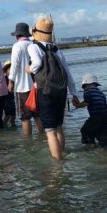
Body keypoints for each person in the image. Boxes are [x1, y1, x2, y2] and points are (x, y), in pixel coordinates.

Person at [27, 16, 79, 160]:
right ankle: (62, 155)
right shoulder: (56, 49)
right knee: (59, 127)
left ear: (35, 32)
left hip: (45, 91)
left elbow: (36, 63)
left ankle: (57, 165)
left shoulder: (33, 47)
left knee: (49, 131)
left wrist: (29, 69)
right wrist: (74, 93)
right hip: (61, 92)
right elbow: (67, 73)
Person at [8, 22, 42, 135]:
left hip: (22, 87)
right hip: (36, 86)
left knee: (25, 117)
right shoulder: (34, 45)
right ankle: (44, 136)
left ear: (17, 35)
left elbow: (14, 65)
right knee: (38, 115)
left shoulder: (17, 46)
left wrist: (10, 81)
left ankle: (28, 142)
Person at [73, 73, 107, 146]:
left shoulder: (87, 91)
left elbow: (86, 102)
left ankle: (91, 146)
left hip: (95, 118)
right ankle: (106, 152)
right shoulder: (101, 94)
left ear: (86, 84)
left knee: (85, 131)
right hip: (106, 119)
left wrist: (78, 105)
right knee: (104, 139)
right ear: (96, 84)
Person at [2, 61, 16, 128]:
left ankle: (13, 126)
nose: (11, 70)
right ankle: (3, 126)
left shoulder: (14, 78)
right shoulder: (4, 78)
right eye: (9, 69)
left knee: (13, 115)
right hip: (5, 99)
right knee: (7, 115)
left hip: (12, 99)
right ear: (6, 70)